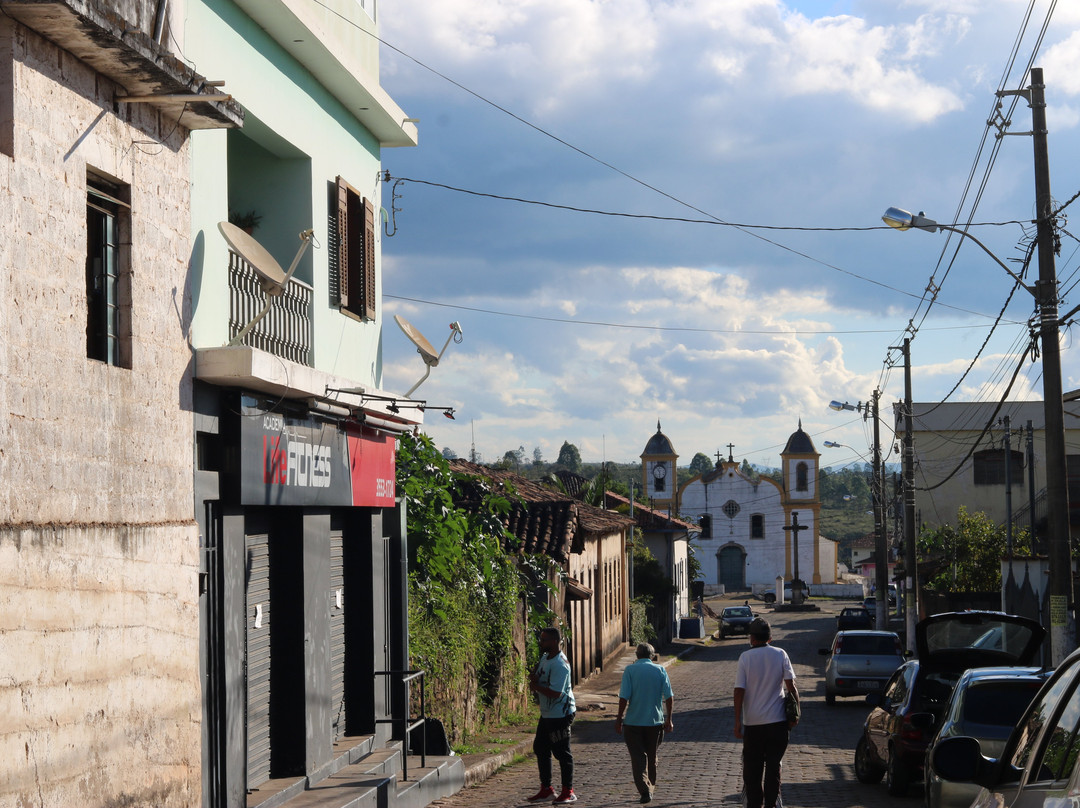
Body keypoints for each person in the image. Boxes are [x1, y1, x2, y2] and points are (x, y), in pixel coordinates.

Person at [733, 617, 798, 808]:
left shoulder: (745, 657)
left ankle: (755, 804)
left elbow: (739, 691)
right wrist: (796, 714)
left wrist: (737, 721)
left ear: (752, 638)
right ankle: (771, 804)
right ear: (769, 638)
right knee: (773, 767)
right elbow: (791, 687)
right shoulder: (781, 654)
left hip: (753, 725)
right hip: (778, 723)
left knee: (752, 772)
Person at [615, 643, 674, 803]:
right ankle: (650, 786)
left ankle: (645, 790)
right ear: (652, 656)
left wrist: (619, 718)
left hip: (633, 722)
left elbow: (624, 697)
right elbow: (669, 696)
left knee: (638, 758)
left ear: (636, 655)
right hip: (655, 723)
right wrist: (669, 719)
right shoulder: (660, 670)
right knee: (651, 756)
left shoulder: (630, 670)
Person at [527, 627, 577, 804]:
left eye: (544, 640)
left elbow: (556, 693)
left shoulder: (560, 664)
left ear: (555, 641)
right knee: (541, 748)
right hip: (548, 713)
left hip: (561, 714)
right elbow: (539, 674)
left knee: (562, 752)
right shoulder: (545, 658)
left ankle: (568, 791)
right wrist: (534, 677)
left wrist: (536, 687)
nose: (541, 643)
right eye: (541, 639)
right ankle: (546, 789)